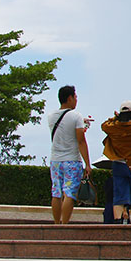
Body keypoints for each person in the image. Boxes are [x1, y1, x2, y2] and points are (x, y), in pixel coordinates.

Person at [48, 85, 92, 224]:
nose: (76, 99)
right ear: (70, 98)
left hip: (55, 160)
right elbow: (80, 141)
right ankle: (64, 224)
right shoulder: (76, 116)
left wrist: (80, 123)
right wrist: (87, 164)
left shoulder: (51, 116)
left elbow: (64, 128)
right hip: (72, 161)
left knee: (56, 193)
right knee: (69, 193)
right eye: (75, 96)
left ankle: (56, 223)